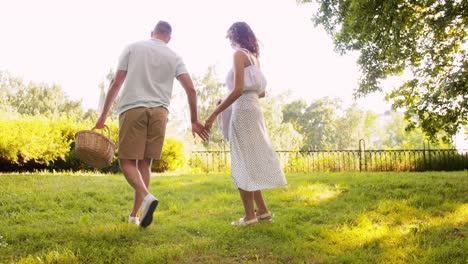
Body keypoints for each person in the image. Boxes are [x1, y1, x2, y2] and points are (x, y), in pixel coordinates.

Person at [94, 21, 209, 228]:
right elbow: (191, 89)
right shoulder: (174, 56)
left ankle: (147, 198)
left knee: (126, 162)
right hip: (160, 113)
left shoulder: (132, 47)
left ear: (152, 33)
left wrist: (103, 116)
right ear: (169, 38)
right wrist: (193, 120)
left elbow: (116, 82)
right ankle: (134, 216)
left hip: (133, 109)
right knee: (145, 164)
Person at [204, 21, 287, 226]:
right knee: (248, 159)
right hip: (253, 110)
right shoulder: (255, 59)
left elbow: (238, 89)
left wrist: (215, 112)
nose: (229, 41)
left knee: (242, 161)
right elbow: (261, 92)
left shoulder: (238, 55)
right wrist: (226, 100)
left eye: (230, 36)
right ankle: (263, 211)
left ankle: (249, 216)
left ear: (236, 36)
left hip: (243, 111)